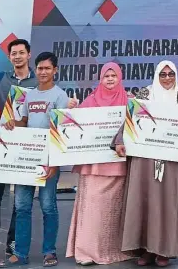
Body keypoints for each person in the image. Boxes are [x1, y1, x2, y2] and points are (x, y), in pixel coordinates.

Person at [0, 52, 77, 268]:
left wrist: (55, 162)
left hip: (49, 159)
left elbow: (61, 131)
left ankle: (49, 252)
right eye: (40, 68)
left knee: (48, 206)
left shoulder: (61, 96)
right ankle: (21, 254)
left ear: (55, 70)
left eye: (47, 68)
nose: (43, 72)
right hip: (26, 159)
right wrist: (13, 124)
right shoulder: (29, 95)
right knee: (22, 206)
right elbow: (24, 121)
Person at [117, 60, 178, 267]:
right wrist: (119, 141)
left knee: (167, 204)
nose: (167, 78)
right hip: (144, 158)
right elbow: (131, 119)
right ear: (157, 75)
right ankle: (145, 250)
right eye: (163, 74)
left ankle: (164, 250)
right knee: (144, 202)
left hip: (170, 162)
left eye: (171, 74)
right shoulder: (145, 94)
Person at [0, 40, 39, 262]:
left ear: (29, 55)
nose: (18, 56)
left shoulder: (39, 79)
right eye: (14, 53)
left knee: (20, 198)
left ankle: (13, 240)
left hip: (25, 144)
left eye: (22, 52)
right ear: (10, 56)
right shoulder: (0, 77)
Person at [65, 63, 132, 265]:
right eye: (106, 76)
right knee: (92, 209)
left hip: (117, 165)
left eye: (113, 75)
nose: (110, 79)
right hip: (93, 166)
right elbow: (76, 126)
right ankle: (85, 252)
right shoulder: (90, 101)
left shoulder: (128, 101)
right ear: (100, 79)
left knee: (113, 212)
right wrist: (73, 112)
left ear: (120, 78)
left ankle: (112, 250)